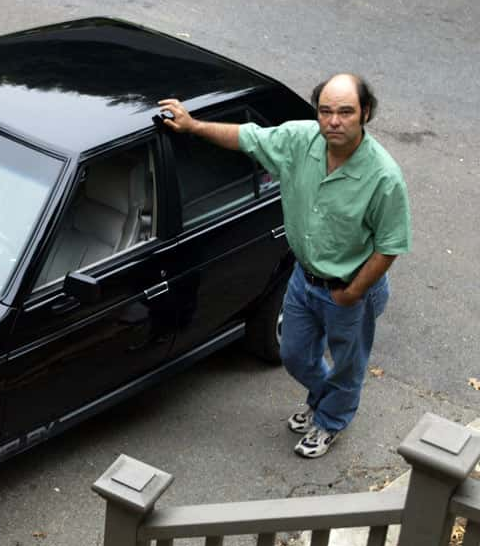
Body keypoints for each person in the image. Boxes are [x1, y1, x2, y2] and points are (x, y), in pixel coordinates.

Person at [157, 73, 411, 458]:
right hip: (303, 280)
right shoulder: (299, 139)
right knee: (294, 355)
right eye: (326, 111)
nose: (334, 121)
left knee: (347, 366)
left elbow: (390, 246)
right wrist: (192, 126)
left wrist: (354, 292)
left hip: (350, 289)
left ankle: (330, 420)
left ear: (366, 113)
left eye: (345, 112)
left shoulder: (383, 176)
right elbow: (246, 137)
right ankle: (325, 397)